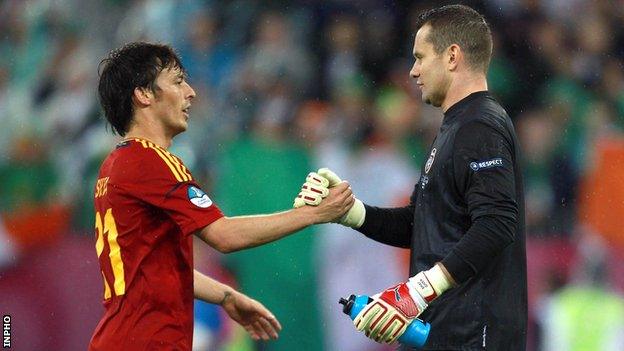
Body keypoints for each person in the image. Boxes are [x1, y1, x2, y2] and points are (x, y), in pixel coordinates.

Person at [89, 42, 354, 351]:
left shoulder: (115, 164)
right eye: (177, 81)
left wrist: (226, 295)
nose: (191, 92)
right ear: (144, 94)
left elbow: (156, 272)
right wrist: (315, 213)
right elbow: (223, 235)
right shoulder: (151, 161)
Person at [296, 5, 526, 350]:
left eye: (420, 57)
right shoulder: (456, 126)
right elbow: (421, 225)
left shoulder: (479, 125)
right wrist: (349, 212)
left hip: (474, 334)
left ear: (452, 56)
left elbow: (496, 224)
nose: (414, 71)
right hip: (447, 330)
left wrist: (417, 291)